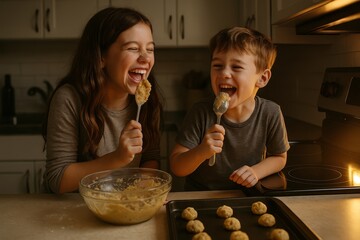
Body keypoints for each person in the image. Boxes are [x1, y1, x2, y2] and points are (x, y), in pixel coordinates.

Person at [42, 7, 163, 194]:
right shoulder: (69, 99)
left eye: (150, 49)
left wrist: (144, 190)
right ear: (101, 57)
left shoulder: (148, 100)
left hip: (123, 207)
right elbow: (57, 179)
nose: (146, 58)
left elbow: (150, 158)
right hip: (72, 210)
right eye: (133, 48)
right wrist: (117, 158)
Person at [170, 27, 289, 191]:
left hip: (244, 196)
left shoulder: (270, 112)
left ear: (262, 78)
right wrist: (201, 151)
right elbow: (177, 167)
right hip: (200, 197)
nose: (224, 73)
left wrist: (256, 171)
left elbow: (279, 157)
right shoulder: (201, 112)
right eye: (217, 65)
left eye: (237, 67)